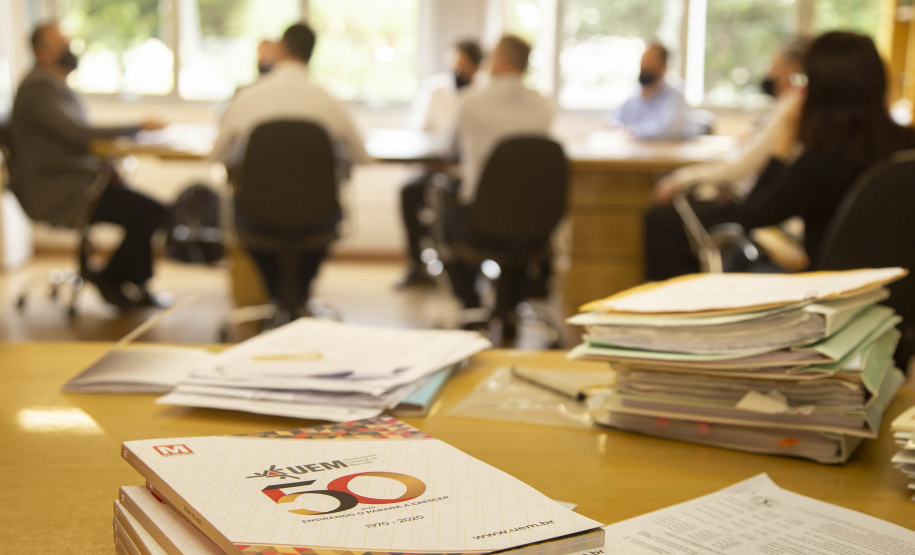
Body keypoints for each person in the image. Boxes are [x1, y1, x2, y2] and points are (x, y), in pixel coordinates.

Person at [644, 31, 915, 281]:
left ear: (819, 91)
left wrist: (783, 144)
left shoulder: (821, 161)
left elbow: (753, 213)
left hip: (836, 296)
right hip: (898, 291)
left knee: (737, 260)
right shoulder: (907, 145)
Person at [9, 22, 169, 309]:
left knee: (149, 210)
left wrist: (105, 164)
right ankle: (116, 279)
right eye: (61, 45)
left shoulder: (54, 86)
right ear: (41, 52)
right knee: (151, 212)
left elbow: (71, 140)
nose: (68, 51)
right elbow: (79, 135)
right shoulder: (38, 89)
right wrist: (136, 127)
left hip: (74, 180)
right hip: (58, 188)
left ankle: (123, 280)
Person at [212, 22, 371, 309]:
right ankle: (297, 299)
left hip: (256, 217)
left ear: (280, 49)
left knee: (259, 238)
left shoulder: (248, 98)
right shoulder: (328, 102)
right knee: (311, 243)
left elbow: (217, 155)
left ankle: (278, 299)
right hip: (318, 219)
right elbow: (362, 157)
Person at [441, 34, 554, 310]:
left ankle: (472, 304)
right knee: (514, 230)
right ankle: (509, 307)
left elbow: (448, 148)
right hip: (534, 218)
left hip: (480, 218)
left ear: (501, 60)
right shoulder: (544, 105)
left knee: (444, 210)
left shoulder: (470, 101)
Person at [652, 39, 808, 203]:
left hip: (748, 197)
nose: (769, 74)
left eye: (775, 67)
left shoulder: (790, 108)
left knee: (660, 215)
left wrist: (680, 179)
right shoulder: (784, 106)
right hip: (749, 191)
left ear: (792, 69)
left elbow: (740, 168)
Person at [397, 39, 483, 288]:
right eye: (455, 62)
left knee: (454, 205)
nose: (458, 68)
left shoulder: (482, 93)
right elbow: (420, 129)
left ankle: (461, 267)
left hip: (467, 172)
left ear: (476, 66)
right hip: (434, 165)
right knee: (408, 192)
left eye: (464, 63)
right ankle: (417, 264)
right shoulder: (436, 90)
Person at [615, 42, 692, 140]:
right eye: (643, 61)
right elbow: (615, 122)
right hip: (634, 152)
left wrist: (633, 131)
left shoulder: (676, 95)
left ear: (663, 66)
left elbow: (671, 129)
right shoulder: (634, 96)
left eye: (650, 61)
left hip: (664, 153)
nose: (644, 66)